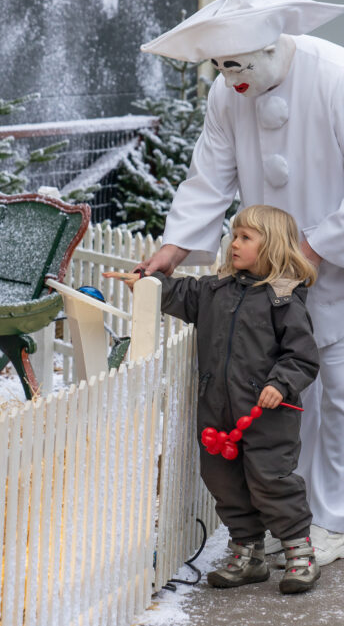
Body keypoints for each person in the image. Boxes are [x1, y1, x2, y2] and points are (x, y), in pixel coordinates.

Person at [130, 0, 344, 566]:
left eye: (237, 67)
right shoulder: (227, 97)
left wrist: (313, 249)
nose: (231, 80)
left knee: (343, 397)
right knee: (283, 398)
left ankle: (332, 523)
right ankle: (294, 518)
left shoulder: (341, 80)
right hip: (273, 285)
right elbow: (210, 176)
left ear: (268, 46)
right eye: (222, 68)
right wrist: (175, 247)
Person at [109, 204, 321, 593]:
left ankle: (299, 552)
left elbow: (302, 355)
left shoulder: (283, 299)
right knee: (223, 481)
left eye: (244, 238)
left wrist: (281, 382)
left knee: (271, 480)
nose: (233, 243)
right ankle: (248, 554)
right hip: (217, 409)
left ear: (271, 246)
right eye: (233, 235)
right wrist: (148, 282)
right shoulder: (215, 290)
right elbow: (179, 294)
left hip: (266, 413)